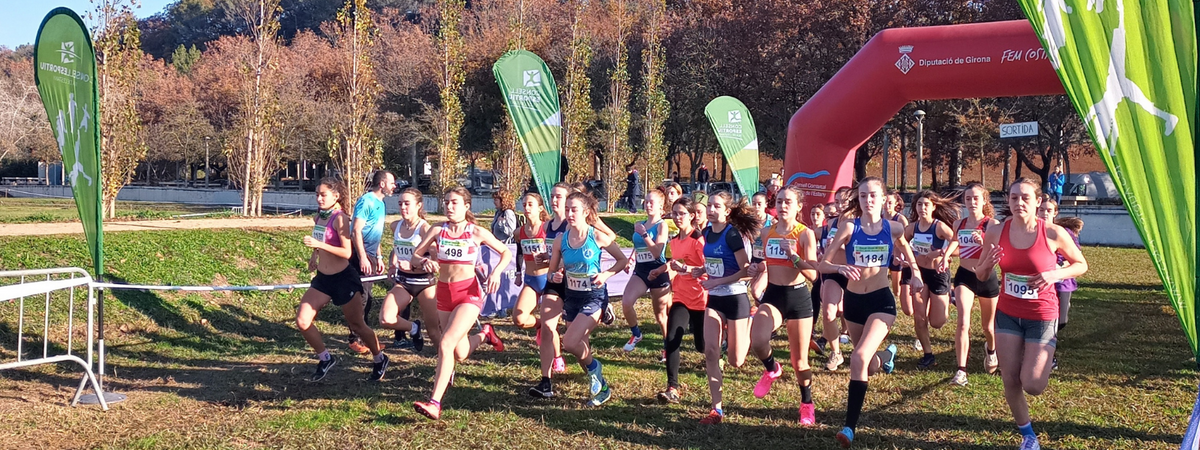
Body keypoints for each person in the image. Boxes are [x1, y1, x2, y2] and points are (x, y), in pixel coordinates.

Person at [975, 178, 1086, 450]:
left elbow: (1081, 264)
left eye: (1025, 197)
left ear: (1038, 202)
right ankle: (1028, 436)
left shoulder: (1053, 233)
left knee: (1033, 384)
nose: (1018, 203)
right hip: (1008, 313)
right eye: (1013, 198)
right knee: (1010, 378)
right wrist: (986, 267)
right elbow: (980, 273)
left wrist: (1054, 274)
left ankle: (1039, 355)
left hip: (1042, 314)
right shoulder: (996, 231)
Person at [818, 177, 923, 447]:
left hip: (881, 302)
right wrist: (840, 268)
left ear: (884, 197)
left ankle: (849, 426)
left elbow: (907, 252)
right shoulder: (848, 227)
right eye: (863, 196)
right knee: (869, 364)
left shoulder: (895, 227)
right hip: (853, 302)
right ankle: (887, 355)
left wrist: (917, 274)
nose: (868, 200)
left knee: (858, 357)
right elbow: (823, 264)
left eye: (873, 195)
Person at [412, 187, 512, 420]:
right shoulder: (438, 229)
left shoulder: (476, 231)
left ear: (467, 206)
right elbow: (415, 255)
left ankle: (434, 402)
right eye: (446, 202)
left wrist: (496, 272)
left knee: (445, 344)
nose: (449, 207)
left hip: (468, 293)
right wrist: (424, 261)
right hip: (444, 293)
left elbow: (505, 252)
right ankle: (485, 334)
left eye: (454, 203)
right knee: (460, 351)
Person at [296, 177, 389, 382]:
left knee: (357, 326)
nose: (319, 199)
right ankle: (325, 358)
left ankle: (379, 358)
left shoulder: (341, 219)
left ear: (336, 196)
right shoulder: (319, 216)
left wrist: (318, 245)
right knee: (302, 321)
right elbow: (320, 239)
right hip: (323, 280)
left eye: (323, 195)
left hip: (343, 279)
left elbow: (347, 252)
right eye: (317, 195)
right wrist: (314, 255)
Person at [547, 191, 630, 406]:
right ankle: (600, 386)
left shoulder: (597, 237)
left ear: (585, 212)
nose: (569, 213)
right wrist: (554, 275)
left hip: (594, 297)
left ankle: (595, 370)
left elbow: (621, 260)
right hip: (571, 297)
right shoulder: (560, 240)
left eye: (574, 209)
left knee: (570, 341)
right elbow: (551, 271)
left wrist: (605, 274)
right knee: (580, 346)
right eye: (567, 209)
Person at [746, 186, 820, 425]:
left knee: (800, 362)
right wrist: (753, 269)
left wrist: (794, 257)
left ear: (799, 206)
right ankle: (772, 369)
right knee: (757, 340)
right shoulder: (766, 232)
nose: (783, 205)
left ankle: (806, 404)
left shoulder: (805, 234)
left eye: (788, 201)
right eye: (779, 201)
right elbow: (760, 261)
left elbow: (814, 275)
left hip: (798, 297)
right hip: (774, 295)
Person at [697, 190, 762, 424]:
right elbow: (715, 264)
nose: (711, 210)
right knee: (711, 352)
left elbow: (745, 270)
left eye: (716, 206)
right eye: (709, 206)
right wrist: (702, 271)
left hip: (736, 298)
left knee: (736, 360)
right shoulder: (705, 232)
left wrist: (717, 281)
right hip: (714, 299)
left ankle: (751, 322)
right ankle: (717, 409)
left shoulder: (732, 234)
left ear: (727, 211)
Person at [648, 196, 708, 404]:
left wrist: (688, 270)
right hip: (681, 297)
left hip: (701, 298)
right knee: (672, 339)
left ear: (692, 216)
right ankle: (672, 387)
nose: (677, 217)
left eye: (681, 213)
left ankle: (718, 346)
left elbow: (710, 269)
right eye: (674, 213)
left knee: (702, 346)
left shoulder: (699, 240)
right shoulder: (674, 241)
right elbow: (676, 261)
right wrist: (660, 269)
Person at [951, 182, 1003, 384]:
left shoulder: (992, 225)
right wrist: (945, 255)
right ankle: (961, 370)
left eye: (976, 198)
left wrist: (983, 243)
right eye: (968, 199)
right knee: (963, 322)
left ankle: (991, 350)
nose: (972, 202)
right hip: (965, 275)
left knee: (988, 328)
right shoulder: (959, 224)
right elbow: (956, 243)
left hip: (987, 277)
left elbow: (997, 254)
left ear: (984, 201)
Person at [904, 190, 959, 371]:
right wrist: (903, 258)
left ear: (933, 207)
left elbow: (957, 245)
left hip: (938, 275)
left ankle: (949, 296)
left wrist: (943, 253)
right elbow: (900, 244)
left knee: (937, 322)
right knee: (919, 317)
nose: (922, 208)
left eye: (926, 204)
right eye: (919, 205)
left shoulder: (939, 227)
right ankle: (928, 354)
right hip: (920, 275)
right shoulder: (912, 228)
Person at [379, 188, 437, 354]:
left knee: (434, 331)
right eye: (400, 204)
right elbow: (395, 250)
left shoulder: (424, 229)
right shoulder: (395, 225)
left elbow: (435, 259)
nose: (403, 207)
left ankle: (445, 362)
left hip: (424, 282)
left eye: (407, 203)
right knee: (386, 319)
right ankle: (414, 328)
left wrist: (415, 265)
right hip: (404, 282)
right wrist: (392, 265)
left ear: (418, 205)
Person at [348, 170, 396, 354]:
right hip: (359, 255)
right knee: (361, 298)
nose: (394, 186)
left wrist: (379, 257)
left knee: (367, 298)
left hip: (371, 256)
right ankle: (355, 339)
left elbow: (375, 233)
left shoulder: (381, 204)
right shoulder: (366, 201)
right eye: (392, 182)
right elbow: (356, 231)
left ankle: (365, 337)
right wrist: (362, 257)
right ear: (382, 184)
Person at [621, 189, 672, 355]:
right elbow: (638, 247)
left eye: (652, 202)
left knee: (661, 316)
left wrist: (644, 234)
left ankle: (667, 347)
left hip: (658, 270)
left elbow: (658, 252)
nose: (648, 204)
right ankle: (636, 334)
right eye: (646, 201)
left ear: (661, 207)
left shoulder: (661, 226)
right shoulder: (641, 223)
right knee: (626, 302)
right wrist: (631, 259)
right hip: (641, 270)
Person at [1036, 196, 1083, 371]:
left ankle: (1045, 346)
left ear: (1055, 213)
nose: (1045, 213)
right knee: (1044, 320)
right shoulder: (1032, 231)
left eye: (1049, 210)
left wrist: (1058, 267)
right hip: (1041, 284)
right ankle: (1048, 356)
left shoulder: (1064, 233)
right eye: (1042, 210)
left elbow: (1076, 259)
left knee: (1061, 321)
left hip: (1062, 282)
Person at [820, 187, 855, 370]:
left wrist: (839, 247)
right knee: (828, 313)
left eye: (845, 201)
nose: (841, 205)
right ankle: (836, 353)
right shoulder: (832, 223)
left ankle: (862, 350)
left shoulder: (859, 223)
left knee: (854, 315)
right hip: (833, 272)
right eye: (838, 201)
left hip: (854, 274)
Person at [885, 191, 912, 313]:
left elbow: (906, 240)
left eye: (890, 202)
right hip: (883, 254)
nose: (887, 205)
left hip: (897, 255)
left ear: (896, 203)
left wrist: (900, 254)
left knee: (897, 288)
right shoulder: (878, 218)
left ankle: (898, 301)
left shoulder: (900, 219)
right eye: (885, 202)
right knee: (883, 281)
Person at [748, 191, 775, 302]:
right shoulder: (749, 222)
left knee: (756, 291)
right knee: (756, 296)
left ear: (765, 204)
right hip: (754, 260)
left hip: (767, 261)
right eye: (754, 203)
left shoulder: (772, 222)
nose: (756, 206)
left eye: (759, 203)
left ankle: (773, 306)